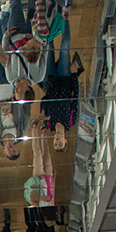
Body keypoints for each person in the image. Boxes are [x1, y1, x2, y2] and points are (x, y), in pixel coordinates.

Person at [40, 15, 81, 153]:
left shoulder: (48, 123)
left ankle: (50, 18)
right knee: (65, 47)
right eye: (60, 143)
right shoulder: (71, 121)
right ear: (65, 140)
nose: (57, 141)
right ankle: (65, 17)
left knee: (49, 47)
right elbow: (76, 98)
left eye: (55, 144)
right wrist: (74, 74)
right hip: (65, 77)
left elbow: (45, 99)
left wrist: (42, 111)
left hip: (51, 80)